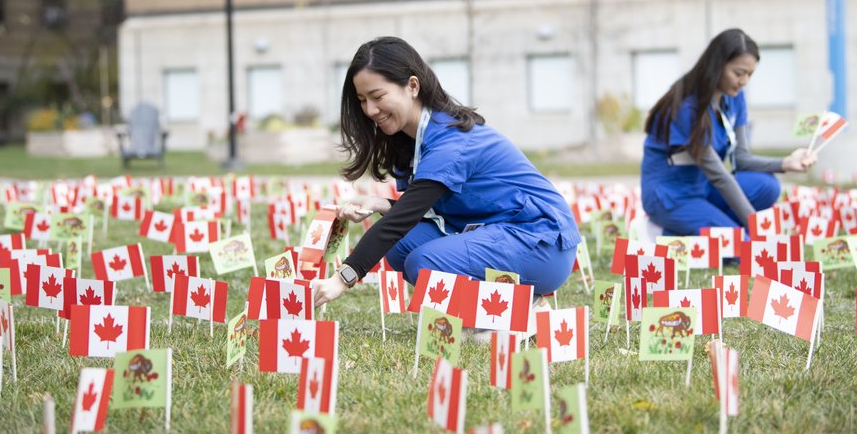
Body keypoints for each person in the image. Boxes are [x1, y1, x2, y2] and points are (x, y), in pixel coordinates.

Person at [310, 37, 581, 309]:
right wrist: (384, 205)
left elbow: (402, 220)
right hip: (500, 231)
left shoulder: (450, 142)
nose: (370, 110)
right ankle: (504, 307)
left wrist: (343, 277)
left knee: (424, 262)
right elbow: (426, 209)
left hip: (542, 242)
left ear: (412, 86)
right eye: (362, 100)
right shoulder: (414, 139)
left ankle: (519, 311)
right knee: (402, 247)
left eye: (378, 96)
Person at [640, 28, 816, 236]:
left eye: (750, 74)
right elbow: (719, 176)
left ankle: (709, 224)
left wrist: (785, 163)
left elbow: (740, 158)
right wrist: (756, 225)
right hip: (672, 196)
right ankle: (666, 231)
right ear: (717, 66)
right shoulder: (687, 108)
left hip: (703, 187)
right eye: (738, 73)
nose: (744, 81)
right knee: (740, 245)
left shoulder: (735, 97)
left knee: (767, 185)